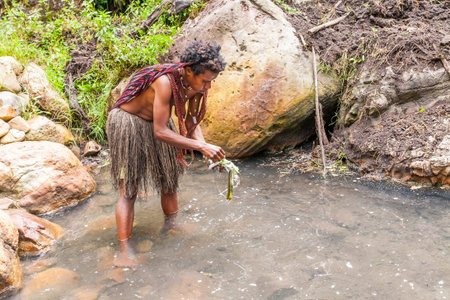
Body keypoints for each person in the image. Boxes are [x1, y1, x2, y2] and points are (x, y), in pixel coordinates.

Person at [106, 40, 226, 267]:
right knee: (129, 189)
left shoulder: (196, 85)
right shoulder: (164, 82)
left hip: (157, 121)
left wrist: (206, 147)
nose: (208, 87)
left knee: (169, 180)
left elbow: (191, 120)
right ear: (189, 71)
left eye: (212, 82)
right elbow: (160, 132)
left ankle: (171, 226)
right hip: (129, 122)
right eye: (206, 81)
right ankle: (124, 249)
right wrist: (200, 147)